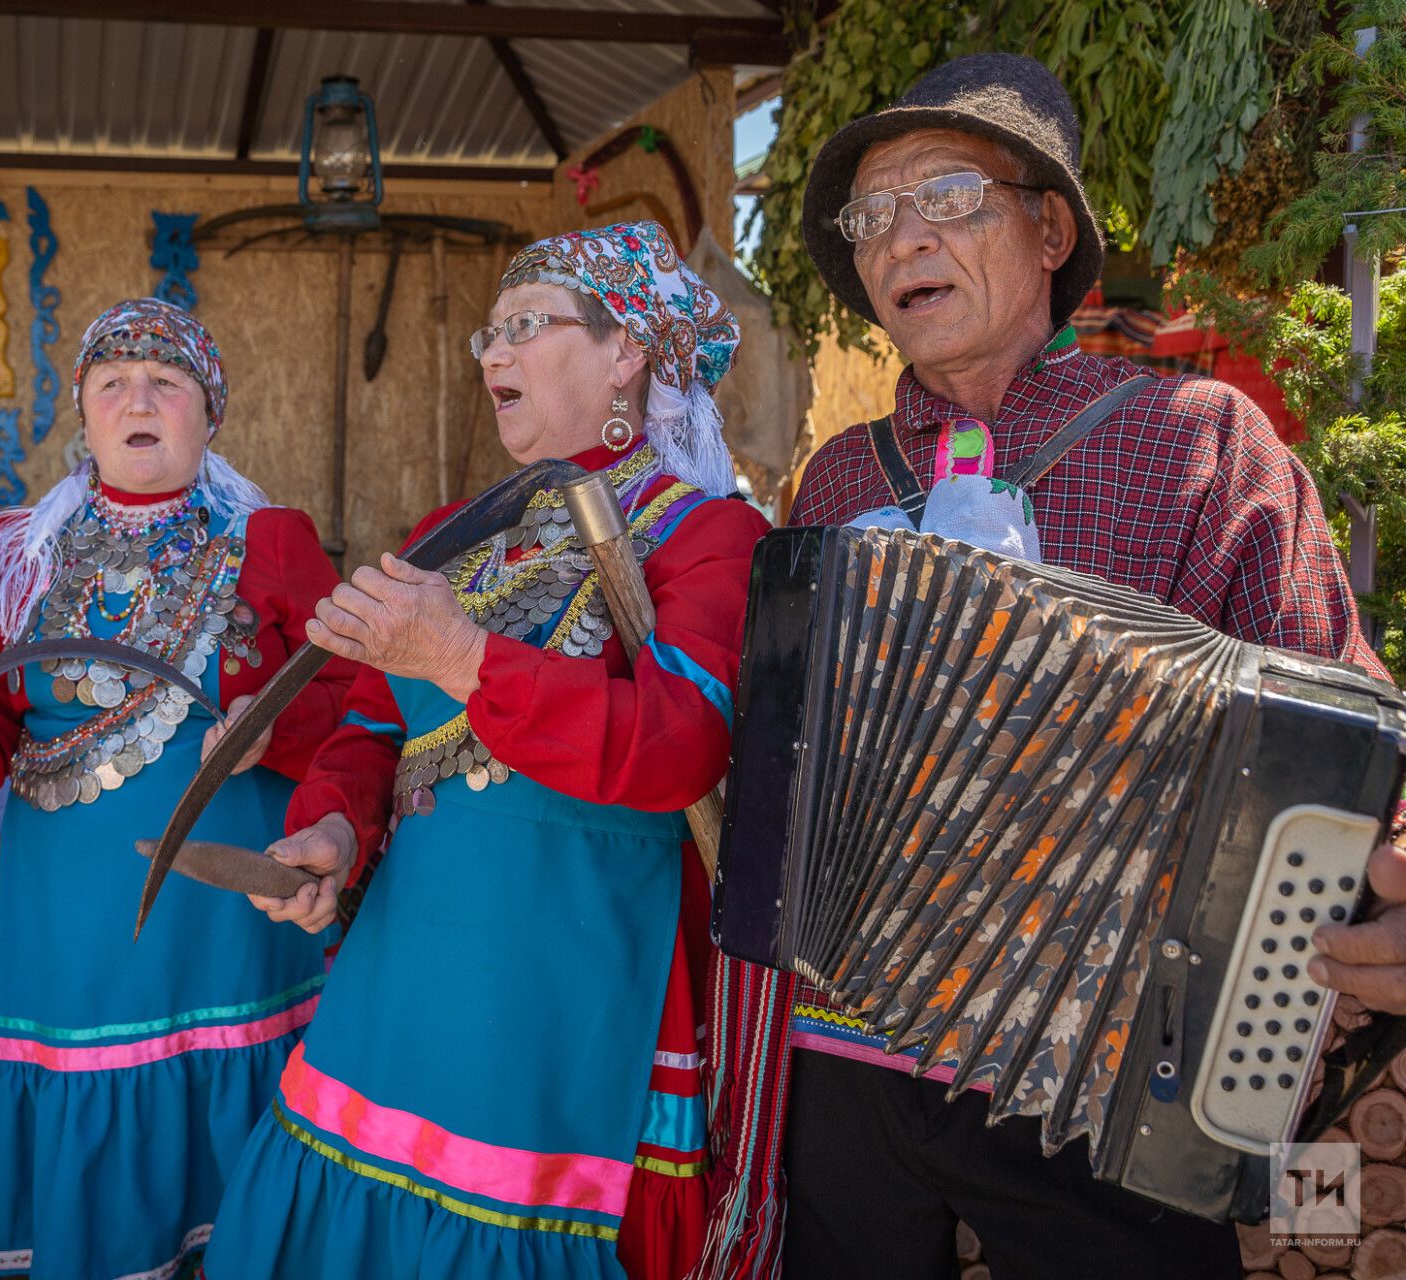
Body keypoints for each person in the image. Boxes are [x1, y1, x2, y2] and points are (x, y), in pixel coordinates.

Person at [696, 54, 1397, 1280]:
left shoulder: (1200, 442)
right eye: (870, 218)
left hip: (1107, 1064)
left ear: (1050, 227)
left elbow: (1344, 713)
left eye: (948, 197)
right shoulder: (838, 482)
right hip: (847, 1053)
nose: (899, 239)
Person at [201, 221, 768, 1280]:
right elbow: (373, 723)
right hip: (404, 981)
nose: (493, 355)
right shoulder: (454, 530)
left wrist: (465, 655)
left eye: (525, 327)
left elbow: (678, 746)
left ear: (628, 350)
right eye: (487, 336)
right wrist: (331, 825)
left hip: (564, 1002)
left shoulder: (708, 536)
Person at [0, 297, 353, 1280]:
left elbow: (350, 698)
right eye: (112, 383)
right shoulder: (21, 551)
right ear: (83, 414)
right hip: (74, 904)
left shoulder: (270, 539)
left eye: (166, 382)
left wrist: (274, 723)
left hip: (230, 908)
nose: (139, 397)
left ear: (208, 414)